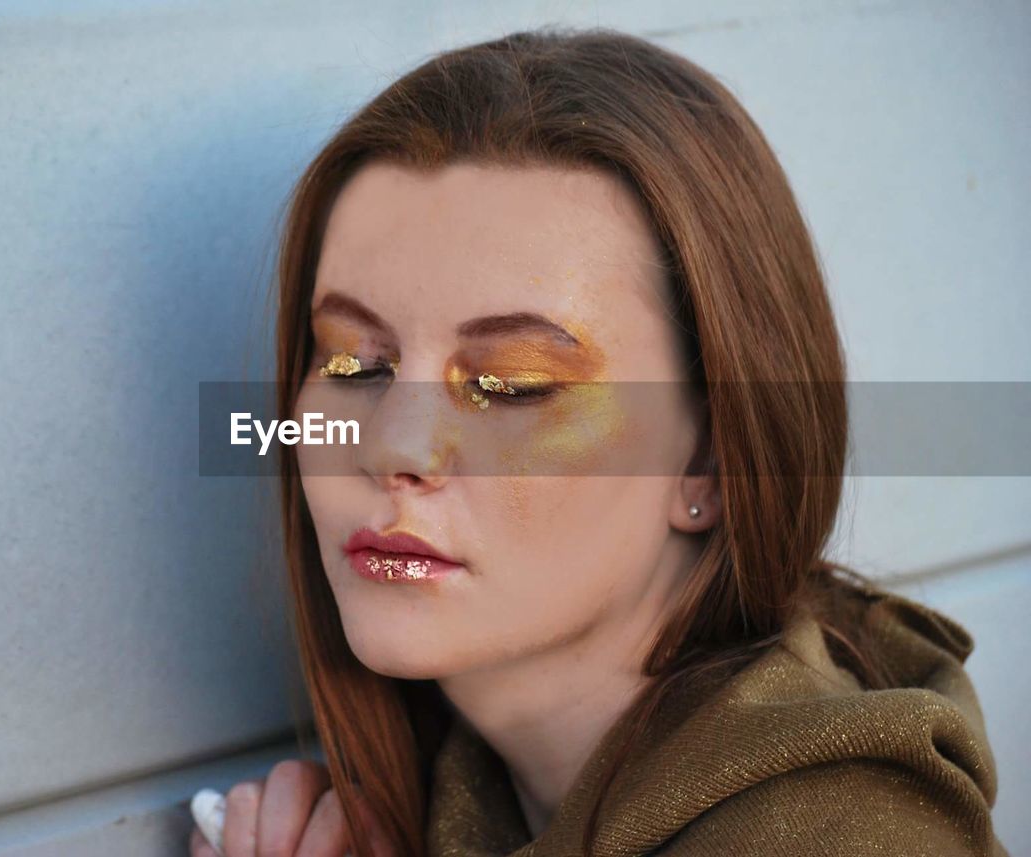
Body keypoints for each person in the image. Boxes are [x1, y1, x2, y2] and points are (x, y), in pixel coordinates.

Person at [191, 26, 1006, 857]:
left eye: (511, 383)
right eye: (356, 364)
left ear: (711, 460)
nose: (393, 447)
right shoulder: (445, 793)